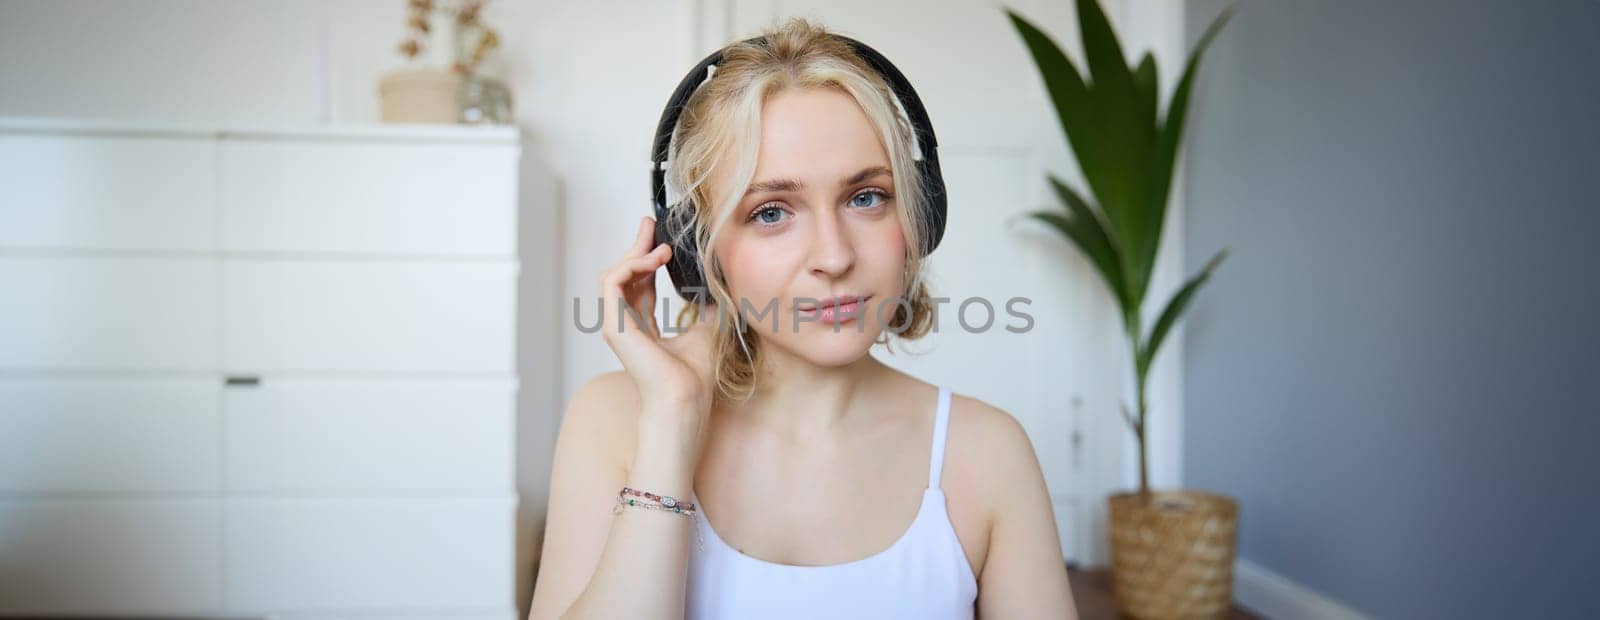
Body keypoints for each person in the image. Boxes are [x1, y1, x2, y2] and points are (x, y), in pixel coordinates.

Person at [529, 16, 1076, 620]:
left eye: (866, 197)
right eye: (771, 212)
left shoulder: (988, 452)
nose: (835, 256)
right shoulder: (615, 422)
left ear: (919, 220)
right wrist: (670, 423)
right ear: (696, 248)